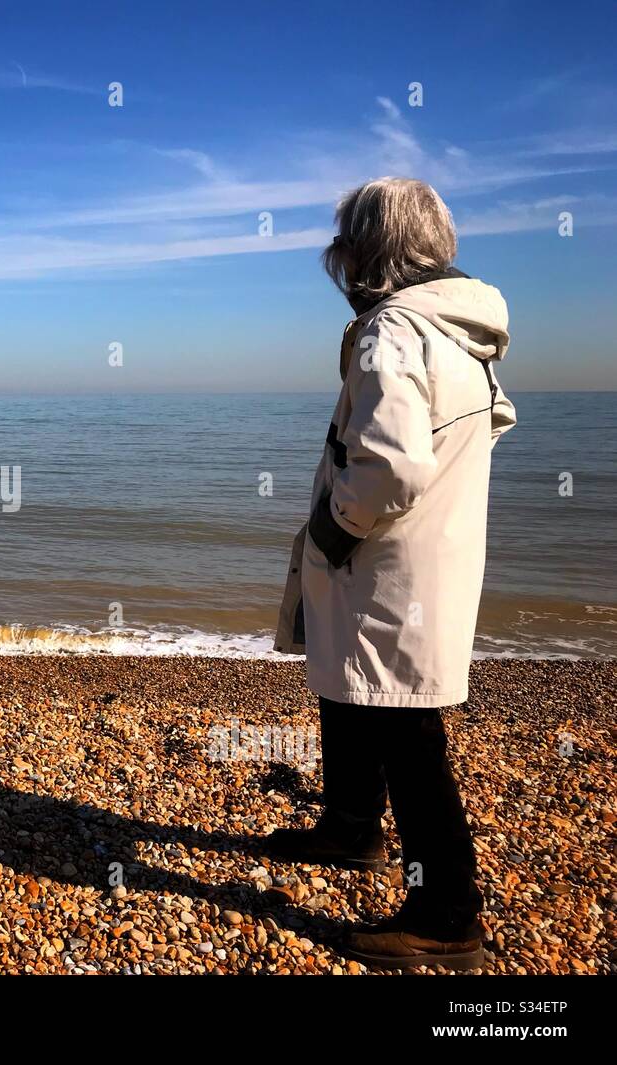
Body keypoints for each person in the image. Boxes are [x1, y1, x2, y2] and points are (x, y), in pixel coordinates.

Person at [269, 177, 517, 970]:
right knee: (352, 690)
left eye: (347, 242)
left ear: (369, 249)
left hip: (385, 561)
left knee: (406, 726)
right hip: (422, 554)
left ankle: (449, 914)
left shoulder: (392, 331)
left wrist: (333, 527)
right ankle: (350, 826)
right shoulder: (461, 331)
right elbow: (482, 427)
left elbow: (388, 464)